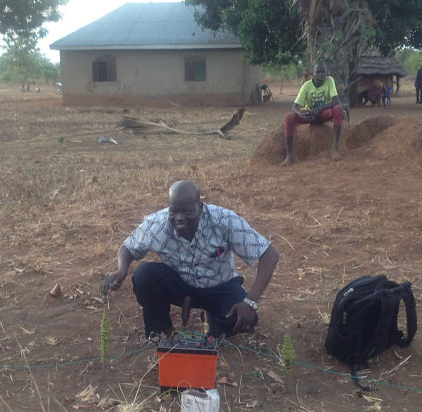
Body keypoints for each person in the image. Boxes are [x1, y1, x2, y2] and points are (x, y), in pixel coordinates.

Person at [103, 181, 279, 339]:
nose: (179, 218)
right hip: (180, 286)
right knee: (145, 275)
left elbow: (269, 254)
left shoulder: (224, 220)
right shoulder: (157, 224)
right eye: (174, 212)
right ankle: (162, 332)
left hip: (218, 286)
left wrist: (250, 301)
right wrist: (121, 270)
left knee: (245, 320)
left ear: (200, 207)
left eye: (187, 211)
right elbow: (128, 247)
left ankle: (213, 328)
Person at [282, 61, 344, 166]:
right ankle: (289, 156)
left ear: (326, 73)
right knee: (289, 117)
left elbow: (336, 101)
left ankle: (334, 150)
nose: (321, 74)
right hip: (310, 115)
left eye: (323, 72)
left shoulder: (329, 81)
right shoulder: (306, 86)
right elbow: (294, 107)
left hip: (323, 114)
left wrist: (319, 109)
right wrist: (302, 115)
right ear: (313, 74)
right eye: (318, 72)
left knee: (338, 108)